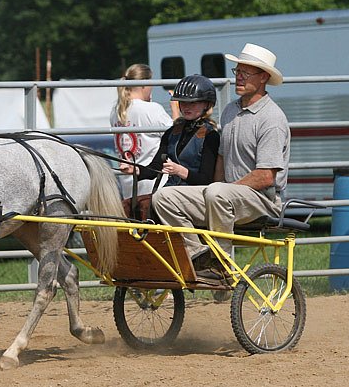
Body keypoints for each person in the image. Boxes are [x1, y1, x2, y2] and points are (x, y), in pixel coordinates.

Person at [152, 43, 289, 281]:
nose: (238, 77)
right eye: (237, 71)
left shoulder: (272, 119)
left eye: (245, 73)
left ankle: (223, 267)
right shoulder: (230, 111)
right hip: (225, 196)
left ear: (264, 77)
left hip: (262, 200)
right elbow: (222, 160)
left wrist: (221, 189)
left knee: (216, 192)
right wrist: (212, 188)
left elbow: (266, 176)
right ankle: (199, 257)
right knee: (163, 197)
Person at [110, 63, 179, 198]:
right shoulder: (151, 109)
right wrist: (176, 109)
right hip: (154, 185)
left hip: (129, 187)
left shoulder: (116, 110)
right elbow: (176, 136)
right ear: (144, 84)